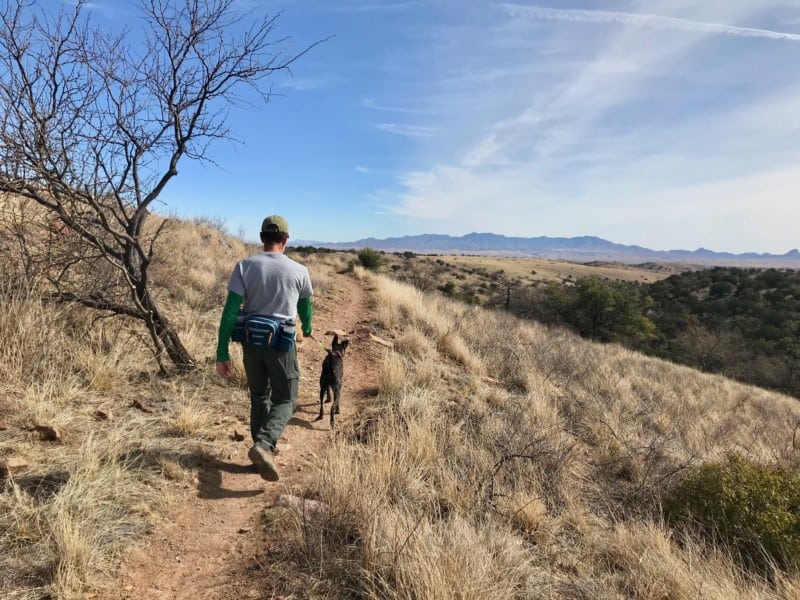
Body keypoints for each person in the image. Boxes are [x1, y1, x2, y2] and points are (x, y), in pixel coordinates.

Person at [215, 215, 313, 481]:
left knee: (259, 396)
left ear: (261, 238)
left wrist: (221, 352)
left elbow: (230, 312)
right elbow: (305, 309)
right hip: (281, 344)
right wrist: (309, 328)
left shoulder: (244, 266)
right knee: (286, 398)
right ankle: (265, 444)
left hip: (250, 343)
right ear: (286, 240)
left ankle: (261, 453)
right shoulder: (299, 271)